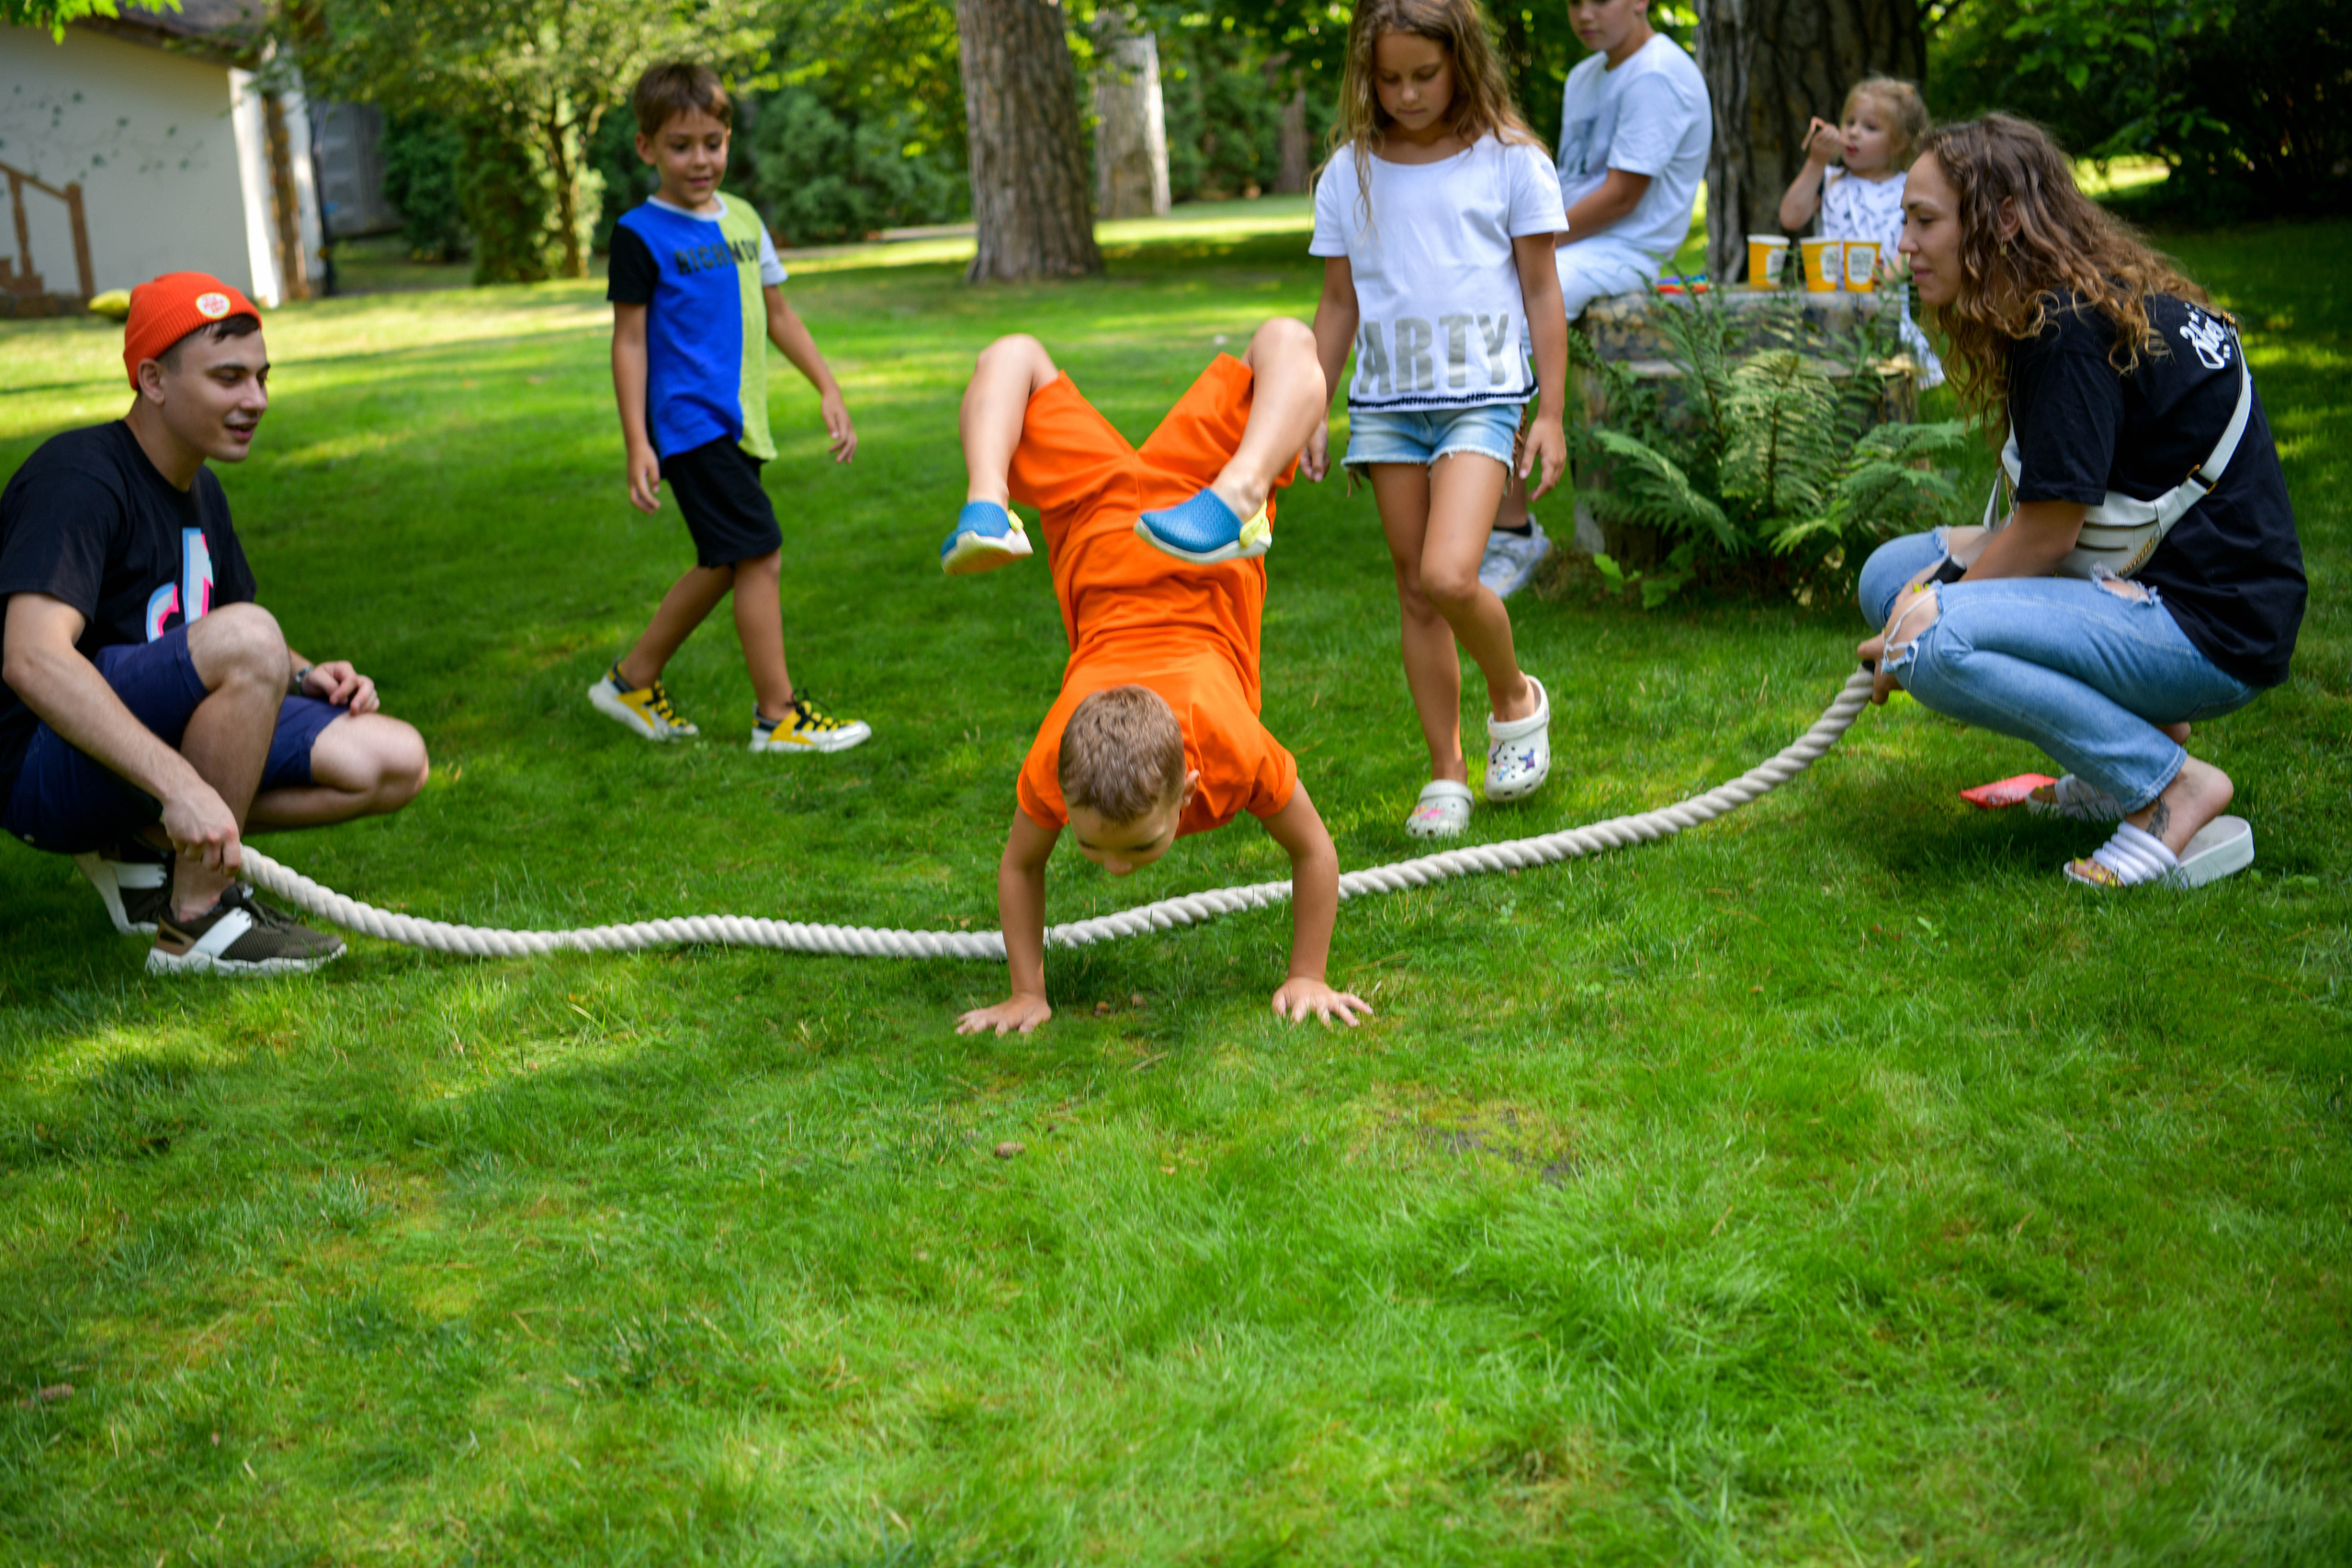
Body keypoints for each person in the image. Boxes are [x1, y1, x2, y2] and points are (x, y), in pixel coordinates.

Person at [1858, 115, 2303, 888]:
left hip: (2212, 629)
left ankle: (2168, 786)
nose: (1905, 244)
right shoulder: (2069, 298)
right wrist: (1923, 591)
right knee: (1887, 575)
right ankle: (2133, 744)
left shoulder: (2062, 329)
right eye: (1906, 220)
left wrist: (1928, 615)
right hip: (2155, 587)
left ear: (2000, 220)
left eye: (1924, 220)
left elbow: (2050, 533)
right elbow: (2064, 509)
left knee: (1925, 640)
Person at [935, 320, 1372, 1034]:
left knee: (1015, 351)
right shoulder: (1061, 757)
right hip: (1158, 514)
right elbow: (1311, 848)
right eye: (1095, 844)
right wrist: (1025, 992)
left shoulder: (1228, 745)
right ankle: (988, 499)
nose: (1114, 868)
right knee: (1286, 338)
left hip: (1147, 517)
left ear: (1191, 787)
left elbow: (1313, 849)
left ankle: (1240, 488)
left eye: (1137, 845)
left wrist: (1309, 975)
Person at [0, 273, 429, 974]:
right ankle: (197, 917)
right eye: (228, 378)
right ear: (154, 380)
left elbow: (231, 636)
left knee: (391, 760)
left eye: (262, 377)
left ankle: (140, 841)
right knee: (251, 637)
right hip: (39, 766)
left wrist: (307, 672)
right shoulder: (78, 476)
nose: (255, 400)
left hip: (141, 747)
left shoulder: (202, 487)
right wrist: (182, 785)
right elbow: (32, 659)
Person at [1289, 0, 1566, 840]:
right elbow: (1337, 302)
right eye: (1389, 78)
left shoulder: (1510, 162)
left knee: (1450, 575)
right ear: (1365, 77)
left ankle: (1514, 696)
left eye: (1425, 75)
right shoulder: (1349, 173)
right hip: (1386, 408)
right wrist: (1308, 403)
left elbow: (1543, 291)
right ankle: (1445, 771)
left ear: (1462, 63)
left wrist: (1550, 410)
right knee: (1414, 593)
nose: (1407, 95)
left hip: (1481, 398)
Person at [586, 62, 870, 756]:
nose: (701, 159)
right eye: (681, 145)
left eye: (713, 141)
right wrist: (637, 441)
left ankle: (632, 679)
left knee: (727, 559)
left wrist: (827, 387)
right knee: (760, 551)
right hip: (688, 423)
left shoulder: (743, 218)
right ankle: (777, 716)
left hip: (742, 422)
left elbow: (779, 313)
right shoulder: (639, 233)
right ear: (646, 147)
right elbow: (628, 342)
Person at [1485, 0, 1710, 592]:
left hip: (1625, 249)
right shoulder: (1588, 75)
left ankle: (1512, 532)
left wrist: (1530, 242)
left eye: (1599, 0)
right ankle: (1479, 505)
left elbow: (1621, 196)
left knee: (1508, 316)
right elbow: (1569, 179)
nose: (1584, 14)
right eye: (1574, 2)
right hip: (1574, 241)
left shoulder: (1657, 74)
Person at [1776, 75, 1945, 389]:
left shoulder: (1907, 186)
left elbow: (1921, 240)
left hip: (1881, 305)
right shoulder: (1830, 180)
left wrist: (1897, 270)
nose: (1853, 131)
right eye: (1850, 121)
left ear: (1898, 142)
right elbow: (1790, 216)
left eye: (1870, 127)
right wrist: (1815, 161)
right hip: (1827, 304)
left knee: (1886, 381)